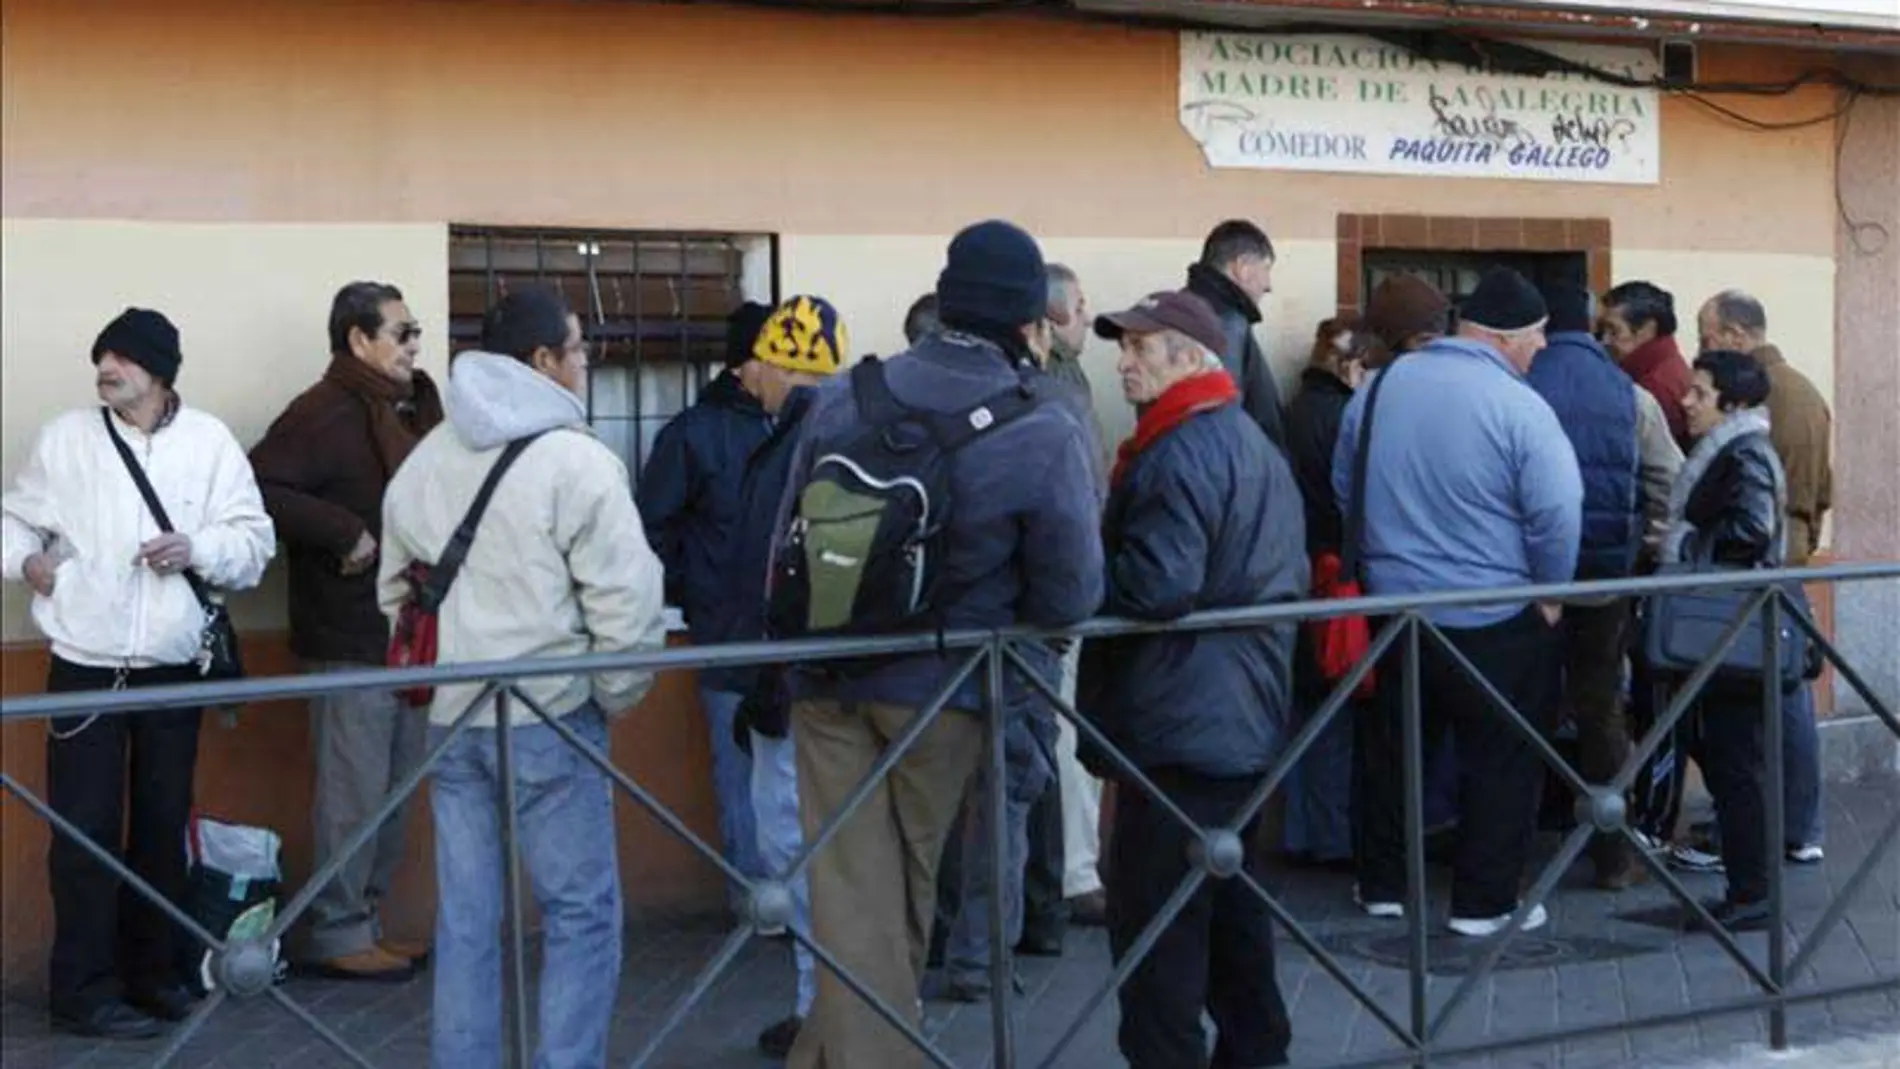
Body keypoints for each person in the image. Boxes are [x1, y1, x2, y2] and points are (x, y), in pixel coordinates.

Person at [780, 221, 1104, 1069]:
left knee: (855, 894)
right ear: (1029, 320)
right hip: (948, 690)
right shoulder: (1046, 422)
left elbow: (784, 533)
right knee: (899, 895)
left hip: (825, 677)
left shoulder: (845, 394)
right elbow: (1071, 592)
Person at [379, 286, 667, 1069]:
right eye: (579, 349)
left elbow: (395, 593)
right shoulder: (578, 460)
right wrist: (611, 691)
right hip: (551, 714)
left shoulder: (427, 457)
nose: (584, 364)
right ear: (543, 361)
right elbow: (628, 604)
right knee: (580, 913)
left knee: (468, 919)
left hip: (452, 718)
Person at [2, 308, 275, 1037]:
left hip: (172, 669)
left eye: (123, 358)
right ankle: (83, 991)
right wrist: (26, 561)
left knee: (161, 827)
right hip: (84, 667)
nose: (107, 368)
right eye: (103, 357)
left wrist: (198, 548)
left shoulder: (210, 443)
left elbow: (255, 541)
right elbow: (14, 520)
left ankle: (156, 975)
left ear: (160, 372)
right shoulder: (66, 439)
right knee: (84, 833)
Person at [1080, 288, 1304, 1069]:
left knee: (1158, 937)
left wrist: (1079, 568)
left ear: (1189, 358)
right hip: (1238, 716)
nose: (1123, 361)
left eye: (1139, 347)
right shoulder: (1246, 441)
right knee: (1233, 917)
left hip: (1180, 722)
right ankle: (1257, 1055)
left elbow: (1157, 585)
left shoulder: (1178, 449)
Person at [1334, 268, 1582, 937]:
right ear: (1503, 337)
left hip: (1394, 614)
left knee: (1393, 752)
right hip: (1494, 613)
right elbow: (1558, 509)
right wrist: (1551, 590)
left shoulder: (1379, 389)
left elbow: (1344, 484)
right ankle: (1484, 902)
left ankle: (1382, 883)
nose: (1540, 350)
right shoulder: (1518, 405)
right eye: (1536, 338)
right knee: (1500, 759)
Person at [249, 281, 445, 980]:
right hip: (349, 633)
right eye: (402, 331)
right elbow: (259, 485)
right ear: (359, 339)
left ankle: (366, 918)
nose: (414, 344)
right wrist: (343, 532)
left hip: (411, 631)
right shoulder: (321, 411)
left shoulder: (415, 405)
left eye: (415, 330)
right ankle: (335, 931)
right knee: (354, 792)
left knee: (393, 789)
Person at [704, 294, 849, 1059]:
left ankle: (820, 1012)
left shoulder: (800, 440)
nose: (744, 376)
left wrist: (767, 677)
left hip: (794, 684)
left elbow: (785, 573)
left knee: (796, 848)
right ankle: (820, 1006)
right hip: (797, 678)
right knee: (801, 848)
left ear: (777, 363)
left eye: (754, 361)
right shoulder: (819, 431)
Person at [1525, 283, 1683, 890]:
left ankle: (1509, 855)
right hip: (1606, 581)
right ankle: (1613, 857)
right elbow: (1668, 478)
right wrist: (1650, 544)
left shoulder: (1520, 384)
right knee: (1601, 712)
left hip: (1532, 583)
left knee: (1519, 707)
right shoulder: (1629, 393)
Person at [638, 300, 776, 897]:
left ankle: (793, 903)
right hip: (726, 630)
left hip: (791, 632)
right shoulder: (693, 433)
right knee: (740, 770)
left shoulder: (799, 424)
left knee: (790, 774)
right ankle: (756, 900)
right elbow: (652, 532)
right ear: (748, 364)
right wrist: (696, 592)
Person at [1696, 290, 1832, 865]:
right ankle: (1796, 825)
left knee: (1775, 702)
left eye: (1706, 336)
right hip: (1795, 551)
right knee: (1786, 696)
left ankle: (1785, 827)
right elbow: (1824, 488)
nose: (1700, 349)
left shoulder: (1763, 399)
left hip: (1767, 566)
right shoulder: (1806, 389)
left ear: (1734, 334)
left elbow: (1754, 495)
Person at [1661, 349, 1788, 931]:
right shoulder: (1726, 451)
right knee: (1729, 758)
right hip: (1723, 626)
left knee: (1739, 763)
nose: (1686, 401)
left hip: (1732, 629)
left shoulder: (1745, 454)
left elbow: (1752, 531)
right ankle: (1747, 888)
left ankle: (1753, 894)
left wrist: (1683, 543)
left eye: (1699, 392)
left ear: (1732, 402)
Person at [1028, 263, 1111, 939]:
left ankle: (1070, 871)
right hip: (1065, 593)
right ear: (1053, 317)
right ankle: (1073, 873)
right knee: (1062, 735)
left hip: (1069, 585)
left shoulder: (1068, 377)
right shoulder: (1055, 385)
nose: (1089, 316)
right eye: (1081, 306)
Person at [1281, 315, 1366, 869]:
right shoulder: (1344, 418)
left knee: (1303, 705)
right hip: (1336, 573)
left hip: (1296, 570)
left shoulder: (1290, 411)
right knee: (1338, 705)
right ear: (1351, 365)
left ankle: (1297, 831)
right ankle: (1332, 835)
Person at [1185, 219, 1287, 449]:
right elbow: (1222, 423)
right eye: (1266, 269)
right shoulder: (1226, 324)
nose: (1268, 285)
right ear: (1242, 267)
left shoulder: (1184, 310)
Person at [1600, 281, 1695, 451]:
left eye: (1614, 331)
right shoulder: (1668, 367)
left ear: (1647, 330)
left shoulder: (1655, 386)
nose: (1605, 340)